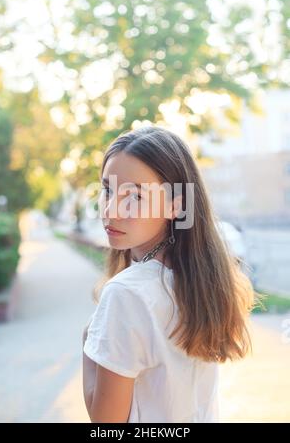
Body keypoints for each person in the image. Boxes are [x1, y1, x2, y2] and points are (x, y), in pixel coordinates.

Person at [82, 125, 257, 423]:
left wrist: (88, 343)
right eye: (108, 190)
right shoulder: (201, 282)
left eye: (135, 196)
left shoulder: (126, 294)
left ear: (176, 204)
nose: (111, 210)